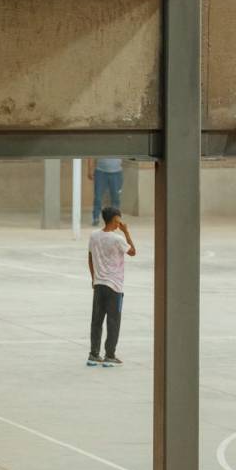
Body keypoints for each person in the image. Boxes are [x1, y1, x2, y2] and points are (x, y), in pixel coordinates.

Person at [88, 205, 135, 368]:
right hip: (114, 286)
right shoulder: (118, 239)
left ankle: (93, 354)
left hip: (99, 284)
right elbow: (133, 252)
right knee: (113, 321)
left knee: (96, 321)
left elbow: (90, 257)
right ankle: (109, 355)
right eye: (119, 219)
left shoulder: (94, 236)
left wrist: (93, 278)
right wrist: (126, 232)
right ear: (115, 219)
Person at [90, 156, 124, 226]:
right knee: (98, 197)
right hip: (100, 172)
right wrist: (90, 170)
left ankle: (115, 219)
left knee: (115, 198)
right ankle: (96, 218)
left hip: (117, 173)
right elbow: (91, 156)